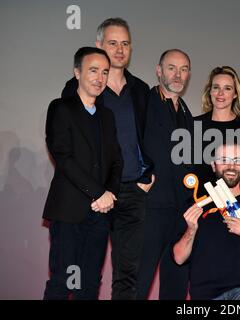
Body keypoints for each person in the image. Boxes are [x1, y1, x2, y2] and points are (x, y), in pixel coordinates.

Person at [61, 18, 154, 299]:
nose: (119, 49)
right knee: (86, 273)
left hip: (134, 193)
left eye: (125, 43)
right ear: (98, 44)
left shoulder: (141, 89)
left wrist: (149, 172)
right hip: (97, 195)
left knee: (128, 275)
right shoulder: (76, 89)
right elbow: (71, 144)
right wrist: (94, 190)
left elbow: (149, 136)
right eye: (112, 43)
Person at [43, 47, 123, 299]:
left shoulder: (107, 116)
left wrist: (109, 194)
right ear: (77, 72)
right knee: (62, 283)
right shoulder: (60, 108)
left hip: (99, 216)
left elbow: (117, 162)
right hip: (69, 213)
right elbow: (63, 157)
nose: (100, 78)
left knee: (89, 285)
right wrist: (98, 192)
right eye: (93, 70)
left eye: (105, 72)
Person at [173, 143, 240, 300]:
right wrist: (191, 230)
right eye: (224, 159)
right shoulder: (196, 205)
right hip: (206, 294)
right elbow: (179, 257)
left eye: (237, 160)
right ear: (213, 165)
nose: (231, 165)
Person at [137, 49, 194, 300]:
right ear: (159, 71)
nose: (178, 74)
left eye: (183, 69)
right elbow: (127, 145)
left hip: (181, 211)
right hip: (150, 209)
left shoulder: (186, 112)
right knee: (138, 280)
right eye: (172, 68)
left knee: (176, 285)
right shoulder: (144, 104)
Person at [194, 66, 240, 200]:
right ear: (210, 91)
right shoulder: (193, 126)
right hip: (203, 207)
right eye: (216, 87)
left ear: (235, 93)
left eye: (227, 88)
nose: (220, 93)